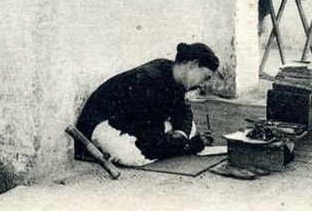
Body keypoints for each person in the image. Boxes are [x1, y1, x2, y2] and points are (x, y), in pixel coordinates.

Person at [74, 43, 219, 167]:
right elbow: (142, 130)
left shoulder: (175, 75)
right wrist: (183, 144)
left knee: (185, 130)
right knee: (132, 155)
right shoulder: (149, 79)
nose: (203, 85)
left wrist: (180, 133)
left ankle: (175, 145)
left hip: (136, 125)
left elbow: (183, 111)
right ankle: (179, 147)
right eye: (205, 77)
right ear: (193, 64)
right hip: (103, 125)